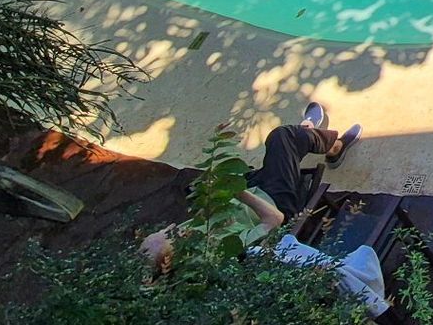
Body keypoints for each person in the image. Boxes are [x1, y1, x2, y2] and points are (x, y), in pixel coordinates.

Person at [139, 102, 365, 273]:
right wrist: (238, 192)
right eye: (170, 232)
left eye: (166, 229)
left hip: (249, 195)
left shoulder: (185, 236)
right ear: (172, 257)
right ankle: (334, 147)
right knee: (281, 137)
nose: (172, 225)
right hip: (273, 203)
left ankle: (305, 130)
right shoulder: (216, 251)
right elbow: (274, 220)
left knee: (223, 169)